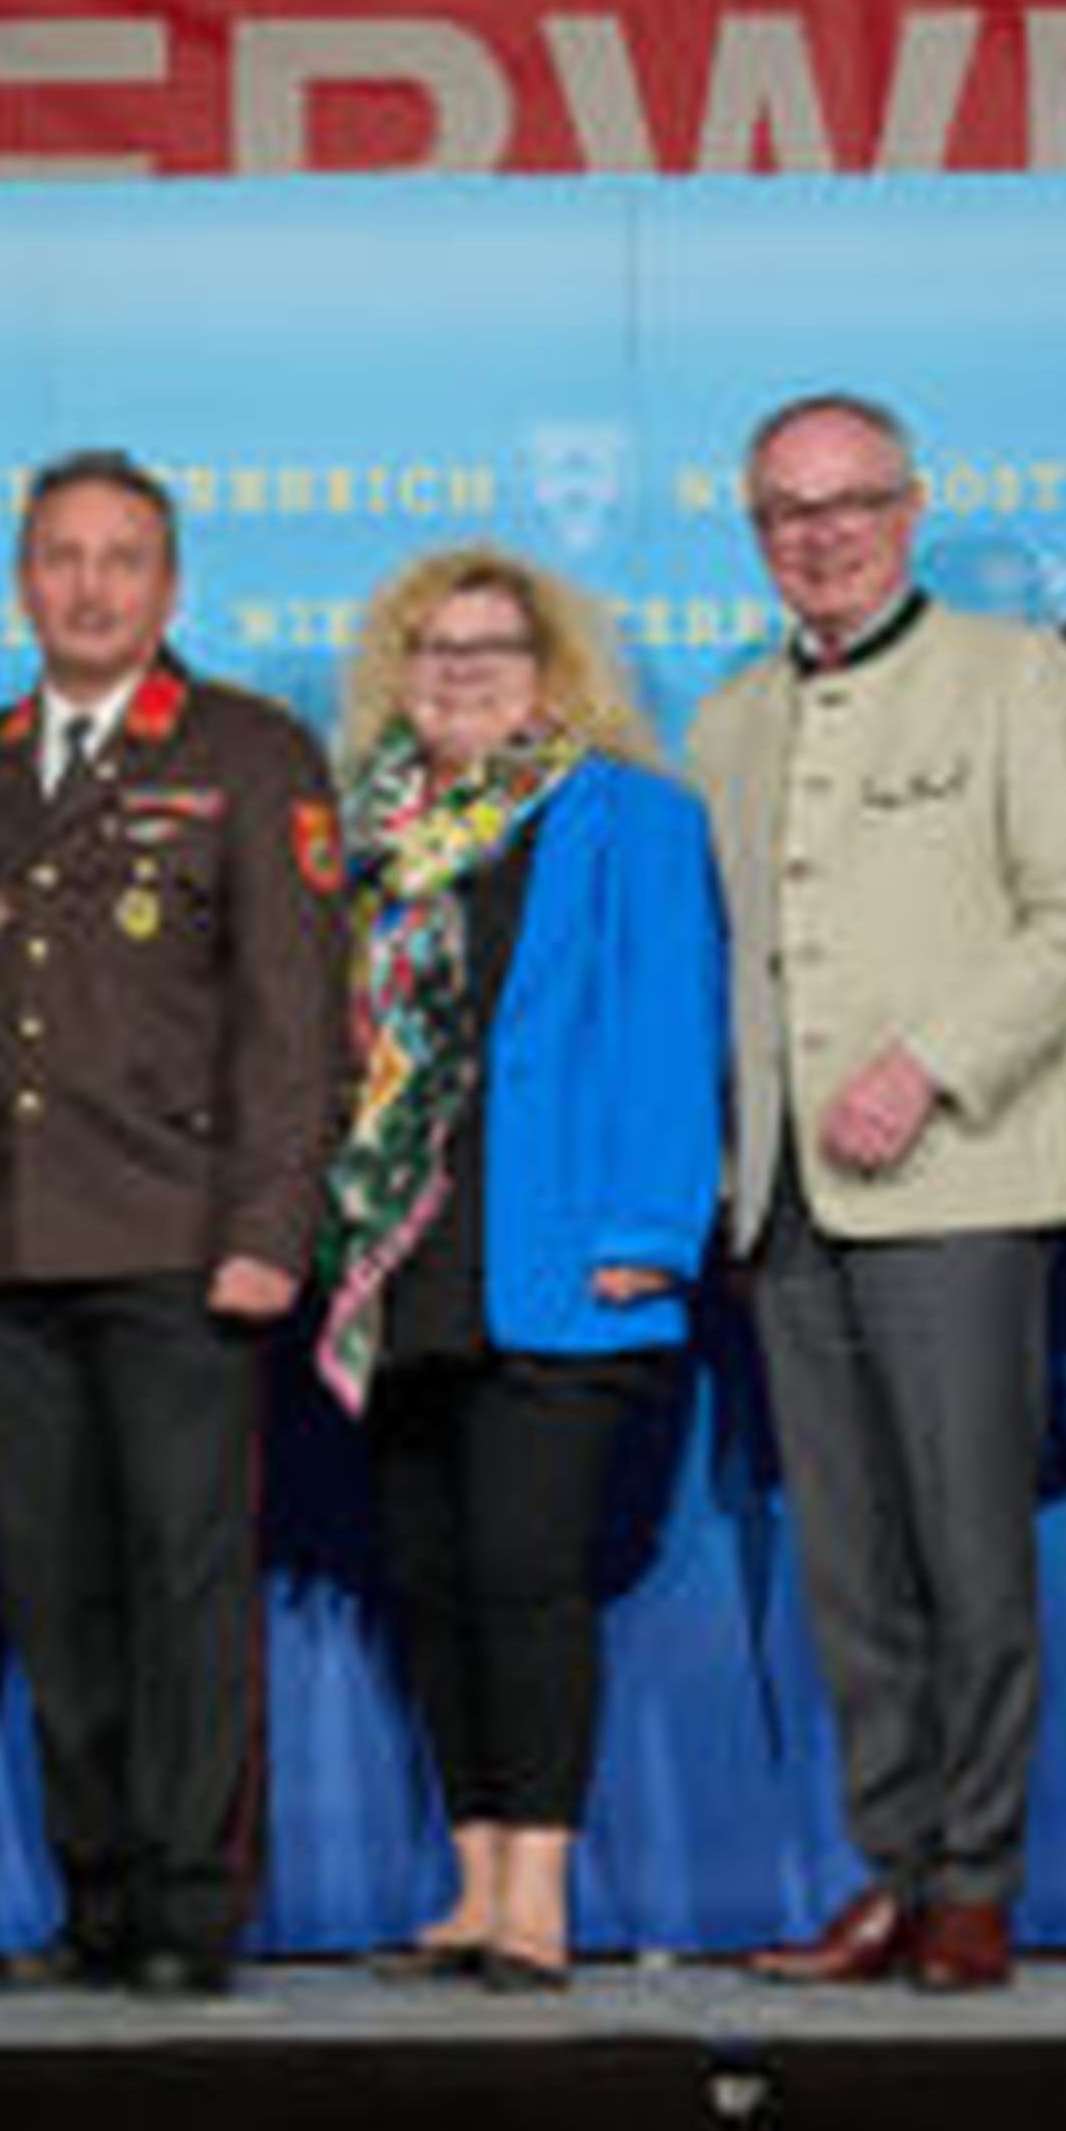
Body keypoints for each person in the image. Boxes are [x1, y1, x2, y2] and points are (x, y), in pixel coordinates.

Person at [687, 393, 1066, 1992]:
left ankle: (975, 1878)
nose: (820, 534)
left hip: (958, 1178)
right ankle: (886, 1870)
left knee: (968, 1550)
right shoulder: (728, 719)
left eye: (850, 502)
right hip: (788, 1209)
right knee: (852, 1568)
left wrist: (930, 1063)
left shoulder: (1016, 674)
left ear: (912, 506)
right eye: (785, 513)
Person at [0, 449, 346, 1998]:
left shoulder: (246, 748)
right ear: (22, 578)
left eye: (122, 560)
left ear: (170, 588)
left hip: (181, 1241)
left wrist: (270, 1227)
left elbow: (295, 1024)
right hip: (0, 1243)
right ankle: (95, 1894)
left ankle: (189, 1903)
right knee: (52, 1589)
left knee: (183, 1589)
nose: (90, 586)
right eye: (60, 557)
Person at [310, 548, 723, 1991]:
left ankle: (541, 1893)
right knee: (429, 1577)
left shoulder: (632, 819)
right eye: (433, 647)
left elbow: (675, 1037)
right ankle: (472, 1883)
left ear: (553, 669)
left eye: (492, 647)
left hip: (565, 1263)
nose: (462, 669)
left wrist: (649, 1237)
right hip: (409, 1266)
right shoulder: (371, 836)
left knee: (526, 1574)